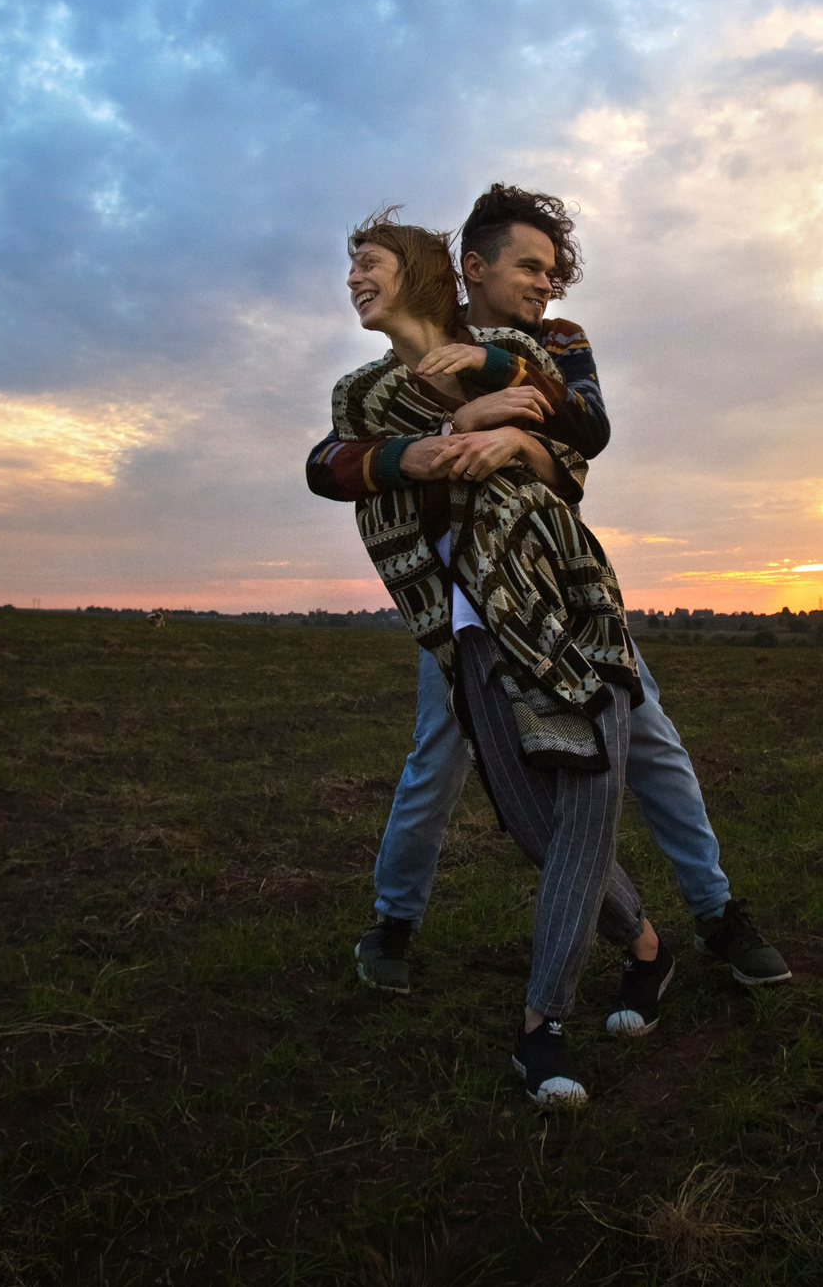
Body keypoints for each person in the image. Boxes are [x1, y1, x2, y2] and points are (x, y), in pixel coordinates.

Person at [308, 185, 788, 1001]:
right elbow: (329, 459)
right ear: (473, 267)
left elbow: (587, 430)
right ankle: (394, 921)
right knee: (439, 756)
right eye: (530, 267)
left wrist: (516, 433)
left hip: (561, 581)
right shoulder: (411, 355)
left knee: (651, 740)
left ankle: (717, 913)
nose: (546, 284)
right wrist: (427, 445)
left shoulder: (556, 341)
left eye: (553, 271)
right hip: (458, 596)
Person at [320, 208, 668, 1107]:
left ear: (419, 272)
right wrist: (452, 432)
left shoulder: (515, 349)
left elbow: (570, 435)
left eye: (368, 262)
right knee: (530, 822)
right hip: (466, 625)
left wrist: (499, 411)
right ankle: (644, 946)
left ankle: (540, 1027)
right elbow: (331, 464)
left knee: (590, 798)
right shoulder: (362, 394)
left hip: (565, 600)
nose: (353, 278)